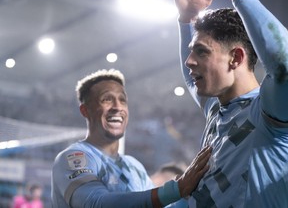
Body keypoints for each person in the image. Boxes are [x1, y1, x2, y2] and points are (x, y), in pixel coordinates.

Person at [170, 0, 288, 207]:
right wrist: (186, 19)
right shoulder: (216, 105)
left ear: (236, 58)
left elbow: (286, 67)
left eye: (201, 52)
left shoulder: (269, 109)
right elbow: (190, 81)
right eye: (191, 52)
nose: (189, 62)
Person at [51, 69, 211, 208]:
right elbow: (96, 203)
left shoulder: (135, 167)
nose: (117, 107)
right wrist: (176, 190)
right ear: (85, 110)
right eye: (106, 99)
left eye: (122, 100)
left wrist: (188, 195)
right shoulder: (74, 157)